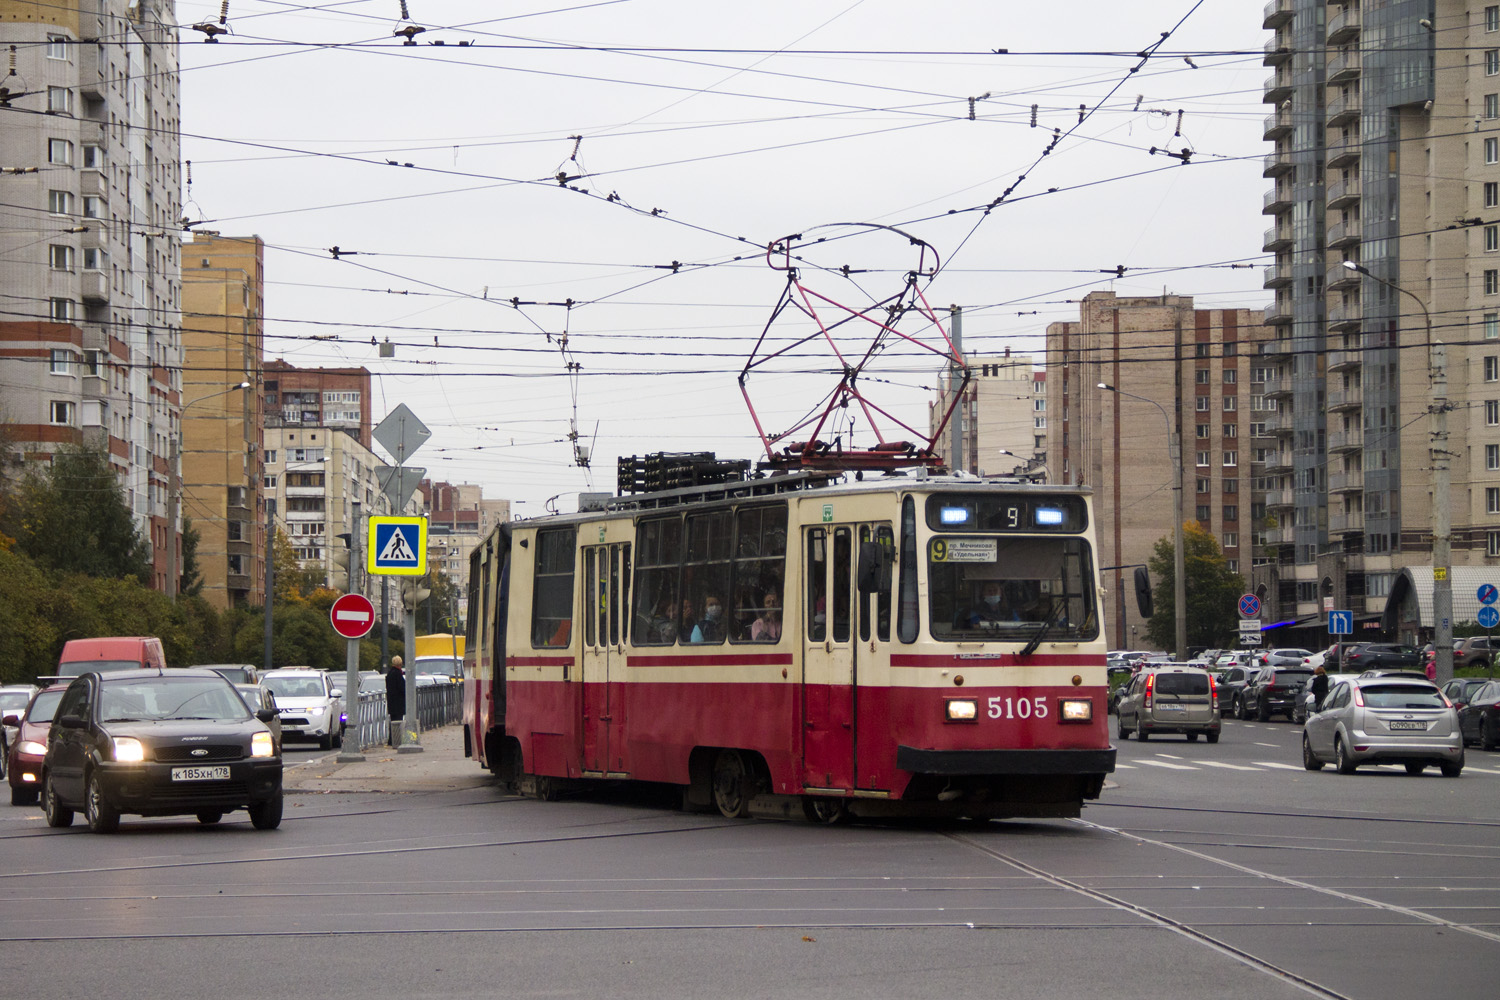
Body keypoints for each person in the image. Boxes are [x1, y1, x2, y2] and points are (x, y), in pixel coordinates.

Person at [385, 656, 407, 746]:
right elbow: (402, 688)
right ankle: (396, 740)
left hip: (391, 701)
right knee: (398, 720)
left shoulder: (390, 673)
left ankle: (391, 739)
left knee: (393, 721)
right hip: (398, 701)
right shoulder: (398, 674)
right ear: (400, 664)